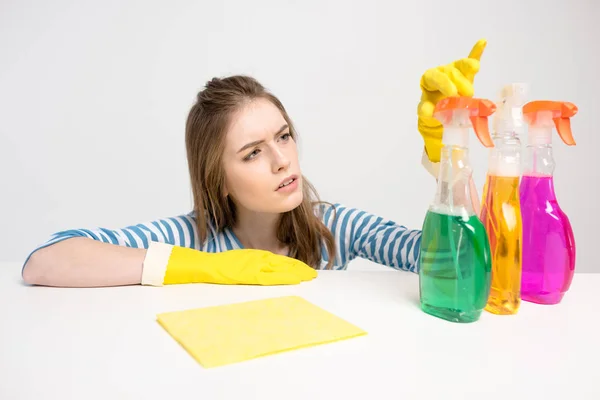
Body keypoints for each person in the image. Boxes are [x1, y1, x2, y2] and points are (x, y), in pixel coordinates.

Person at [21, 39, 487, 288]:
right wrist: (208, 269)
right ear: (217, 179)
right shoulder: (193, 238)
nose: (283, 160)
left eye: (283, 136)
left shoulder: (331, 229)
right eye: (253, 152)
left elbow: (451, 263)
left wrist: (450, 157)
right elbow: (45, 262)